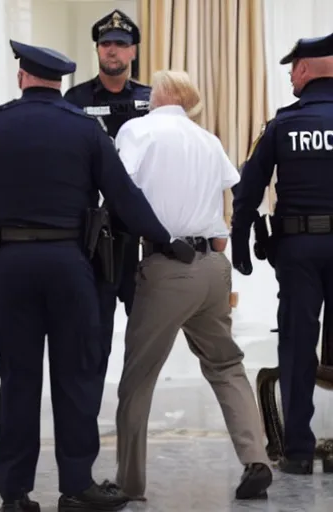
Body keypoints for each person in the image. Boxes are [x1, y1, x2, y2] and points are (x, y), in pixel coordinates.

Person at [0, 39, 191, 512]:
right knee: (76, 375)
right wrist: (166, 240)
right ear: (59, 81)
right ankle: (77, 486)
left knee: (17, 377)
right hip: (69, 262)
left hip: (8, 266)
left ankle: (15, 493)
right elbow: (124, 197)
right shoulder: (84, 129)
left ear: (23, 77)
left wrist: (8, 207)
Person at [110, 70, 273, 501]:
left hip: (167, 267)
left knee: (138, 378)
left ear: (161, 93)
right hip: (214, 268)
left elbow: (118, 188)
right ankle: (256, 459)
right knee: (226, 365)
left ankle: (129, 483)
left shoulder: (137, 130)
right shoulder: (208, 139)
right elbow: (225, 197)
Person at [231, 32, 333, 475]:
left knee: (296, 344)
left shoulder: (283, 124)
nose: (291, 75)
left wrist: (238, 242)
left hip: (299, 248)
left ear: (307, 69)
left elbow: (248, 190)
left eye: (293, 67)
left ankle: (297, 450)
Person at [64, 8, 149, 408]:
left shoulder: (152, 100)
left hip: (141, 235)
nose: (111, 51)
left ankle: (132, 420)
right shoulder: (75, 98)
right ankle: (85, 418)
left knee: (145, 336)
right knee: (91, 338)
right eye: (105, 44)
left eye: (120, 44)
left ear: (132, 51)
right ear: (97, 49)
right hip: (92, 238)